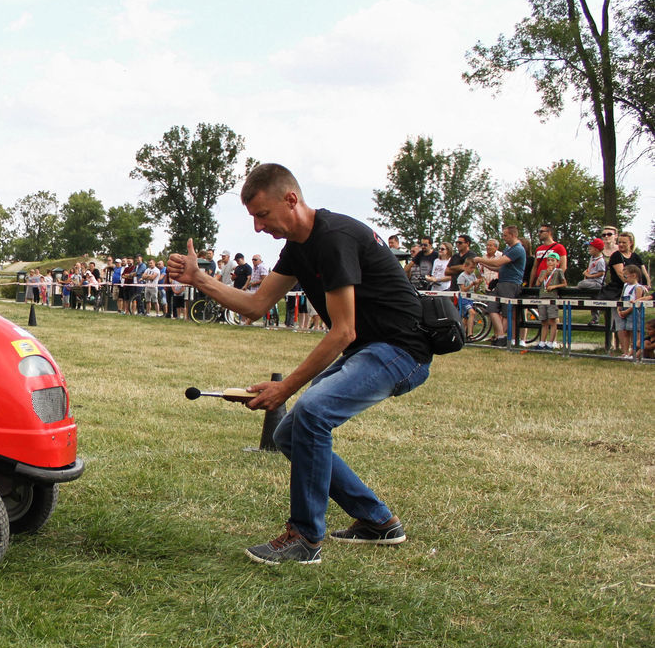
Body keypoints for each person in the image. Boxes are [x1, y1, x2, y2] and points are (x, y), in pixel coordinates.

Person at [167, 163, 431, 566]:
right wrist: (200, 280)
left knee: (311, 412)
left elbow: (342, 331)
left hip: (401, 351)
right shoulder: (298, 247)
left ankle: (304, 539)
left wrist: (284, 388)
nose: (257, 227)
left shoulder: (334, 238)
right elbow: (255, 306)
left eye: (262, 215)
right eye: (253, 217)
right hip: (369, 349)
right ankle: (377, 521)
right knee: (290, 433)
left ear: (291, 199)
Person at [475, 225, 527, 348]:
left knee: (506, 312)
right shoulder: (508, 249)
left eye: (505, 235)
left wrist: (480, 259)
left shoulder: (517, 249)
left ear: (513, 235)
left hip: (511, 283)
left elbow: (498, 262)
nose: (503, 238)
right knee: (491, 308)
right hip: (501, 282)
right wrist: (482, 262)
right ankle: (500, 335)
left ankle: (502, 337)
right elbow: (498, 267)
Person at [616, 264, 651, 359]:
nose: (624, 278)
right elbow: (621, 297)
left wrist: (627, 311)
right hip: (624, 311)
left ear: (634, 275)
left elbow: (637, 302)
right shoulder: (625, 285)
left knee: (635, 332)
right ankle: (625, 352)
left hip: (634, 312)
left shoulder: (638, 288)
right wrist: (619, 308)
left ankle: (635, 352)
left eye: (626, 275)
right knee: (625, 332)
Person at [534, 251, 566, 350]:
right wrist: (545, 275)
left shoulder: (558, 271)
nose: (550, 262)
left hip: (552, 298)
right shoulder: (543, 271)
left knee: (552, 320)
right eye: (548, 260)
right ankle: (542, 342)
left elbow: (564, 283)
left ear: (557, 262)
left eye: (553, 260)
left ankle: (551, 342)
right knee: (543, 321)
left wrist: (554, 286)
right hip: (542, 298)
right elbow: (538, 283)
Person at [456, 256, 482, 339]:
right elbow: (463, 290)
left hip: (471, 298)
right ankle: (470, 334)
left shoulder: (473, 275)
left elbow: (474, 290)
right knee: (472, 313)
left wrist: (477, 284)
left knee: (466, 319)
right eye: (471, 268)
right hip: (463, 299)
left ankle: (462, 334)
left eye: (474, 268)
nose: (472, 270)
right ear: (465, 266)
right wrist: (471, 284)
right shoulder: (462, 276)